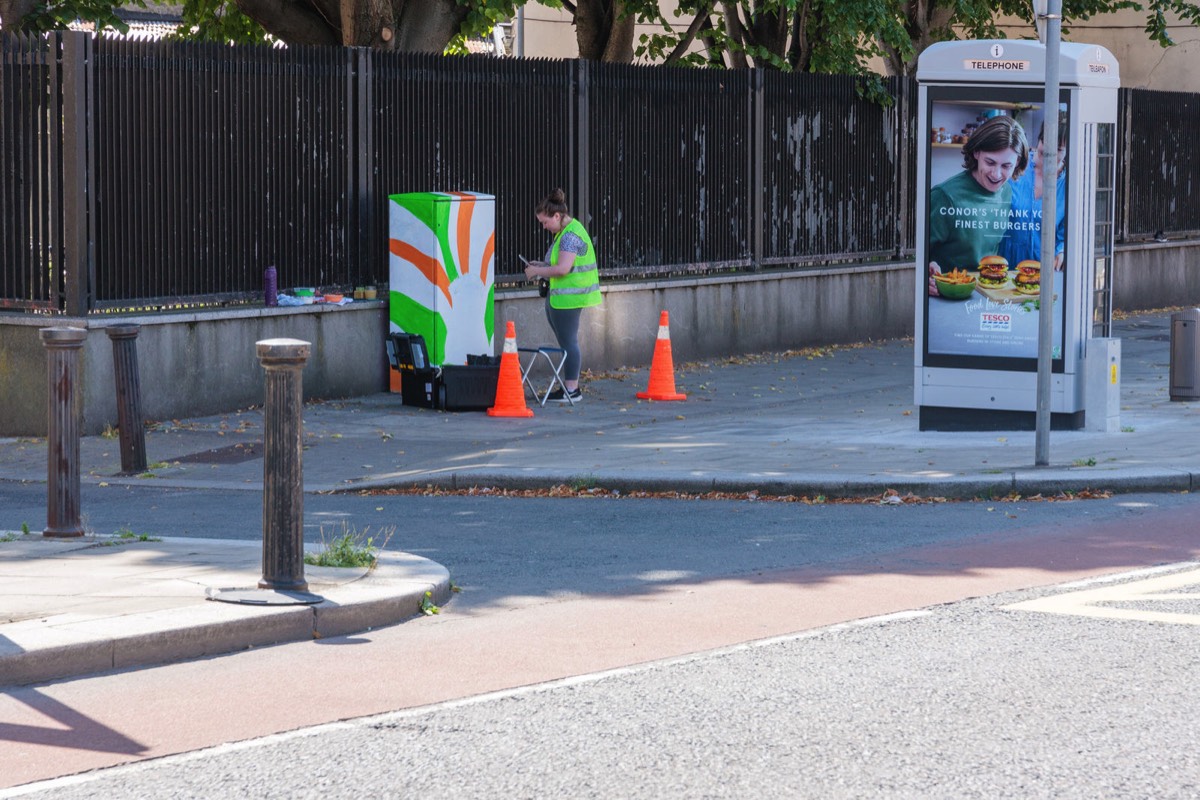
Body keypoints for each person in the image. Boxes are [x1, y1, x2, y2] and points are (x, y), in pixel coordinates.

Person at [928, 115, 1030, 296]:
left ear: (1018, 164)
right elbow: (915, 255)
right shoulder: (944, 196)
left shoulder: (1006, 191)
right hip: (948, 295)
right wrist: (926, 269)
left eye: (1007, 166)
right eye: (990, 162)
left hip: (988, 294)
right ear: (976, 153)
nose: (997, 174)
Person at [523, 188, 602, 402]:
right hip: (563, 298)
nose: (544, 226)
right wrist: (541, 265)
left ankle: (572, 390)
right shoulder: (566, 232)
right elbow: (558, 265)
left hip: (569, 298)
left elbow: (562, 269)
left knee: (568, 343)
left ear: (557, 216)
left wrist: (538, 271)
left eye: (545, 222)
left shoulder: (569, 236)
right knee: (566, 343)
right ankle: (568, 387)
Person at [996, 119, 1067, 270]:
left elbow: (1065, 232)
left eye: (1059, 148)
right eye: (1045, 142)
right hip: (1005, 267)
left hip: (1044, 271)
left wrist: (1062, 251)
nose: (1049, 151)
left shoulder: (1068, 184)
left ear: (1068, 151)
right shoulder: (1015, 166)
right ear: (1039, 139)